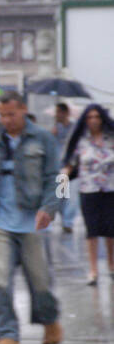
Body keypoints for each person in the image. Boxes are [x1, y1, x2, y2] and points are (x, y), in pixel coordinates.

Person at [0, 91, 63, 344]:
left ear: (24, 110)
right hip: (0, 223)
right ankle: (8, 334)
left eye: (11, 114)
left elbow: (58, 180)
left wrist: (49, 208)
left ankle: (50, 321)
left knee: (40, 282)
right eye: (2, 115)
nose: (6, 120)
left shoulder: (43, 139)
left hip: (32, 224)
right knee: (1, 280)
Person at [62, 103, 114, 284]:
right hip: (88, 190)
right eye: (90, 117)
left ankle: (111, 265)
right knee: (91, 230)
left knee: (110, 229)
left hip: (109, 189)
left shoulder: (110, 138)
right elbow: (69, 164)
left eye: (97, 117)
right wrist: (61, 184)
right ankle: (93, 270)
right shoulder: (81, 141)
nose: (94, 121)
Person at [52, 102, 78, 233]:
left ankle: (68, 222)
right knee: (61, 194)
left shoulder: (74, 128)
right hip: (59, 167)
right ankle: (64, 219)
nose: (56, 115)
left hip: (71, 166)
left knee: (71, 196)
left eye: (58, 112)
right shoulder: (55, 128)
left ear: (65, 113)